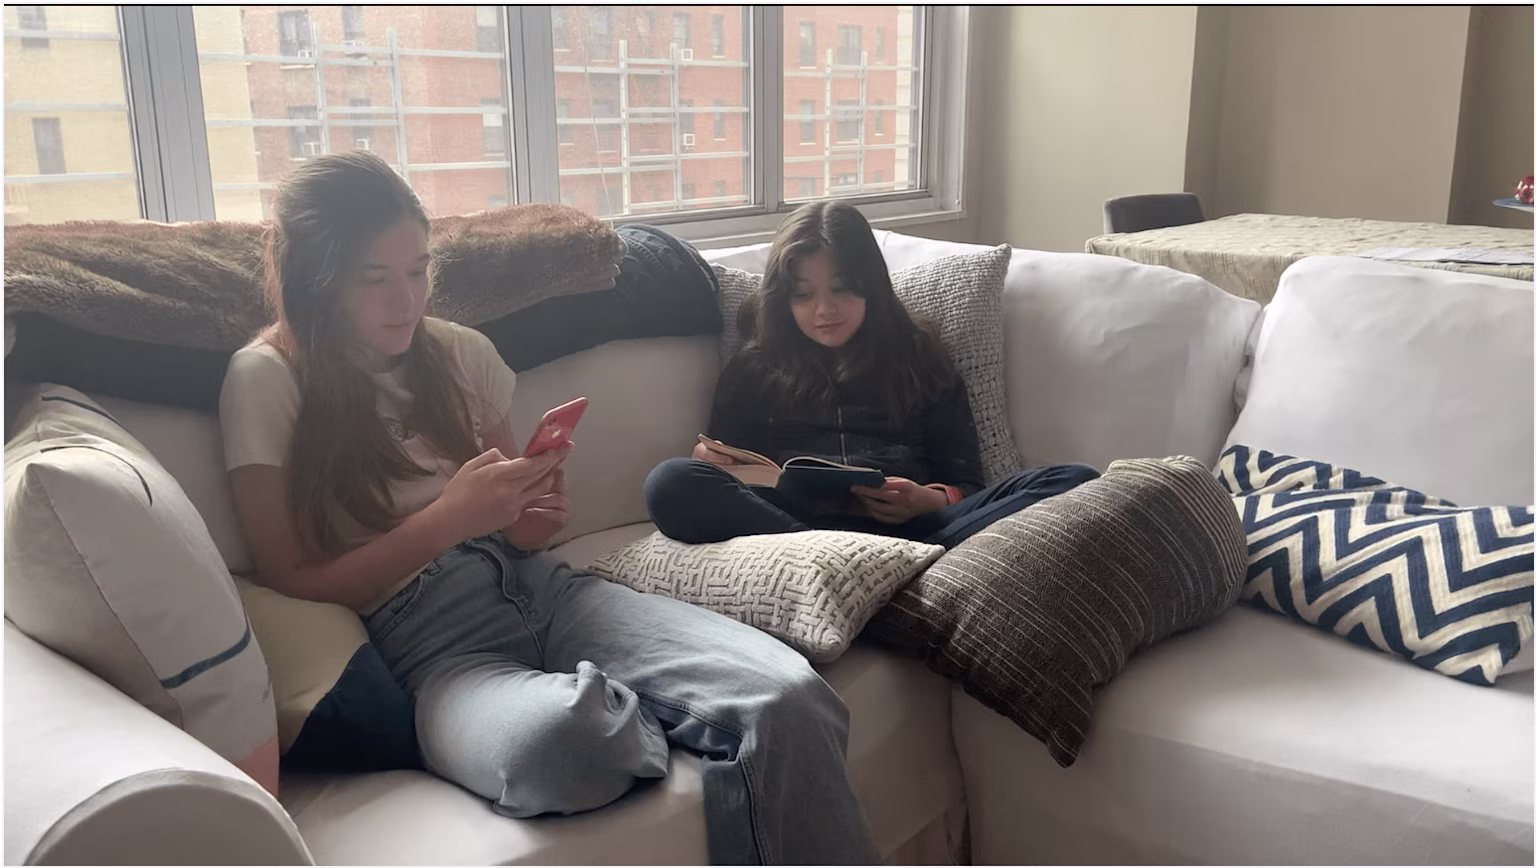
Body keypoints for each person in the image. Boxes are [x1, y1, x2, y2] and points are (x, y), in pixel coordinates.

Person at [219, 152, 877, 866]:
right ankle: (649, 712)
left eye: (418, 270)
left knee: (789, 696)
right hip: (434, 648)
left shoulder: (459, 353)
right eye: (374, 278)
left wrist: (532, 512)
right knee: (565, 746)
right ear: (317, 280)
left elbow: (526, 534)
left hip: (549, 593)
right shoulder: (267, 378)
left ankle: (657, 709)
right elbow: (289, 576)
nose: (406, 300)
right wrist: (448, 521)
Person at [645, 200, 1099, 547]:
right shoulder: (755, 365)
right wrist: (713, 462)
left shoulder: (919, 357)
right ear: (783, 299)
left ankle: (880, 571)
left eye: (841, 289)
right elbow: (730, 468)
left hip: (915, 532)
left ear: (871, 286)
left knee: (1073, 481)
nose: (824, 310)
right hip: (790, 530)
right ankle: (848, 566)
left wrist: (928, 499)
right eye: (803, 295)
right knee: (670, 481)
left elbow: (967, 482)